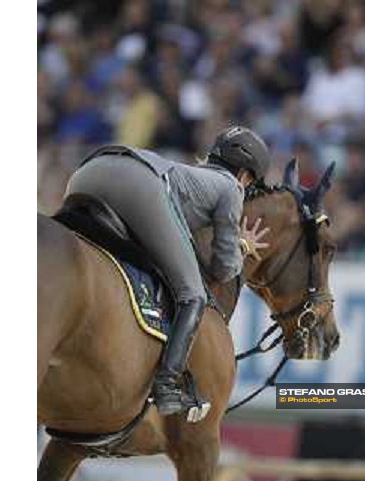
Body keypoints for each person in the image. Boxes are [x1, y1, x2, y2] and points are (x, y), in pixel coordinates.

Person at [60, 126, 271, 418]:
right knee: (193, 295)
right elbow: (223, 269)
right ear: (246, 175)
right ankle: (168, 382)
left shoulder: (192, 175)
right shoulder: (231, 188)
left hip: (86, 172)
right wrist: (243, 246)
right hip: (136, 183)